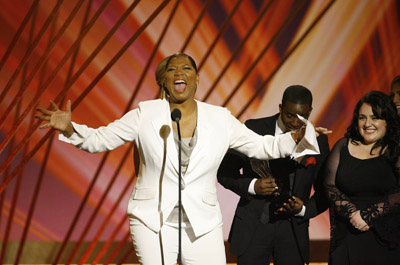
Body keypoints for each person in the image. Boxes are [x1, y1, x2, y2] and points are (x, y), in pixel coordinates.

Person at [35, 53, 322, 265]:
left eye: (187, 67)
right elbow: (101, 139)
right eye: (171, 69)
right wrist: (71, 128)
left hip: (202, 222)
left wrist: (298, 138)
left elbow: (264, 146)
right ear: (164, 80)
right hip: (153, 220)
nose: (179, 72)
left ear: (197, 79)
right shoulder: (145, 114)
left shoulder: (219, 118)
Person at [217, 85, 330, 265]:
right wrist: (253, 186)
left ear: (310, 112)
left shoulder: (319, 140)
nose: (294, 123)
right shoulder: (253, 128)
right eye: (289, 115)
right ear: (280, 108)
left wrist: (304, 209)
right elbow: (224, 173)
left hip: (293, 229)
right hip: (253, 226)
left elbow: (326, 188)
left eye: (302, 117)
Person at [324, 91, 400, 265]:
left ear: (387, 121)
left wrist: (368, 215)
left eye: (375, 118)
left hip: (385, 236)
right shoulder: (343, 146)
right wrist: (352, 213)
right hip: (347, 233)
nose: (368, 124)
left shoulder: (396, 148)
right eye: (362, 118)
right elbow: (329, 185)